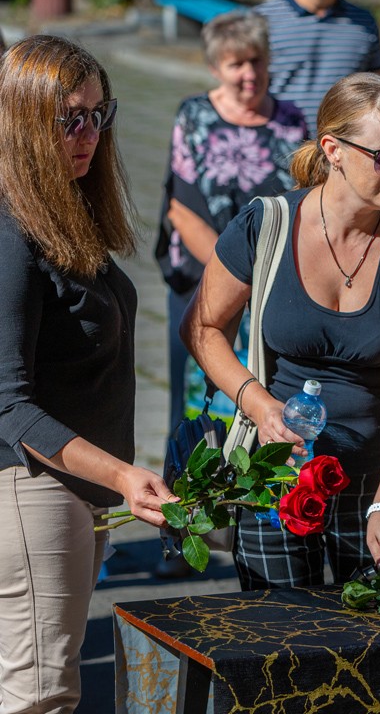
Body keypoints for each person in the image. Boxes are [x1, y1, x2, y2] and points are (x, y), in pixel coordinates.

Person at [182, 73, 380, 589]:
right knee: (278, 646)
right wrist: (261, 406)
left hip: (378, 479)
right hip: (275, 473)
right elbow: (201, 327)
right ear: (333, 149)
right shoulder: (266, 225)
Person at [0, 35, 178, 713]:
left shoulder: (59, 211)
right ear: (21, 120)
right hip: (33, 492)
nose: (88, 135)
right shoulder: (10, 230)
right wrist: (123, 476)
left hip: (73, 497)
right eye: (68, 119)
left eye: (98, 115)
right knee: (41, 696)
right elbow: (8, 407)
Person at [154, 8, 308, 471]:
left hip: (273, 292)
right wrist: (240, 283)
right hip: (202, 284)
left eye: (256, 61)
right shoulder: (195, 116)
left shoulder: (292, 122)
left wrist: (267, 288)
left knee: (265, 404)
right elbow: (180, 210)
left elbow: (302, 206)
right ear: (215, 68)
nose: (248, 74)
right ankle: (187, 516)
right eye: (235, 64)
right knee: (196, 409)